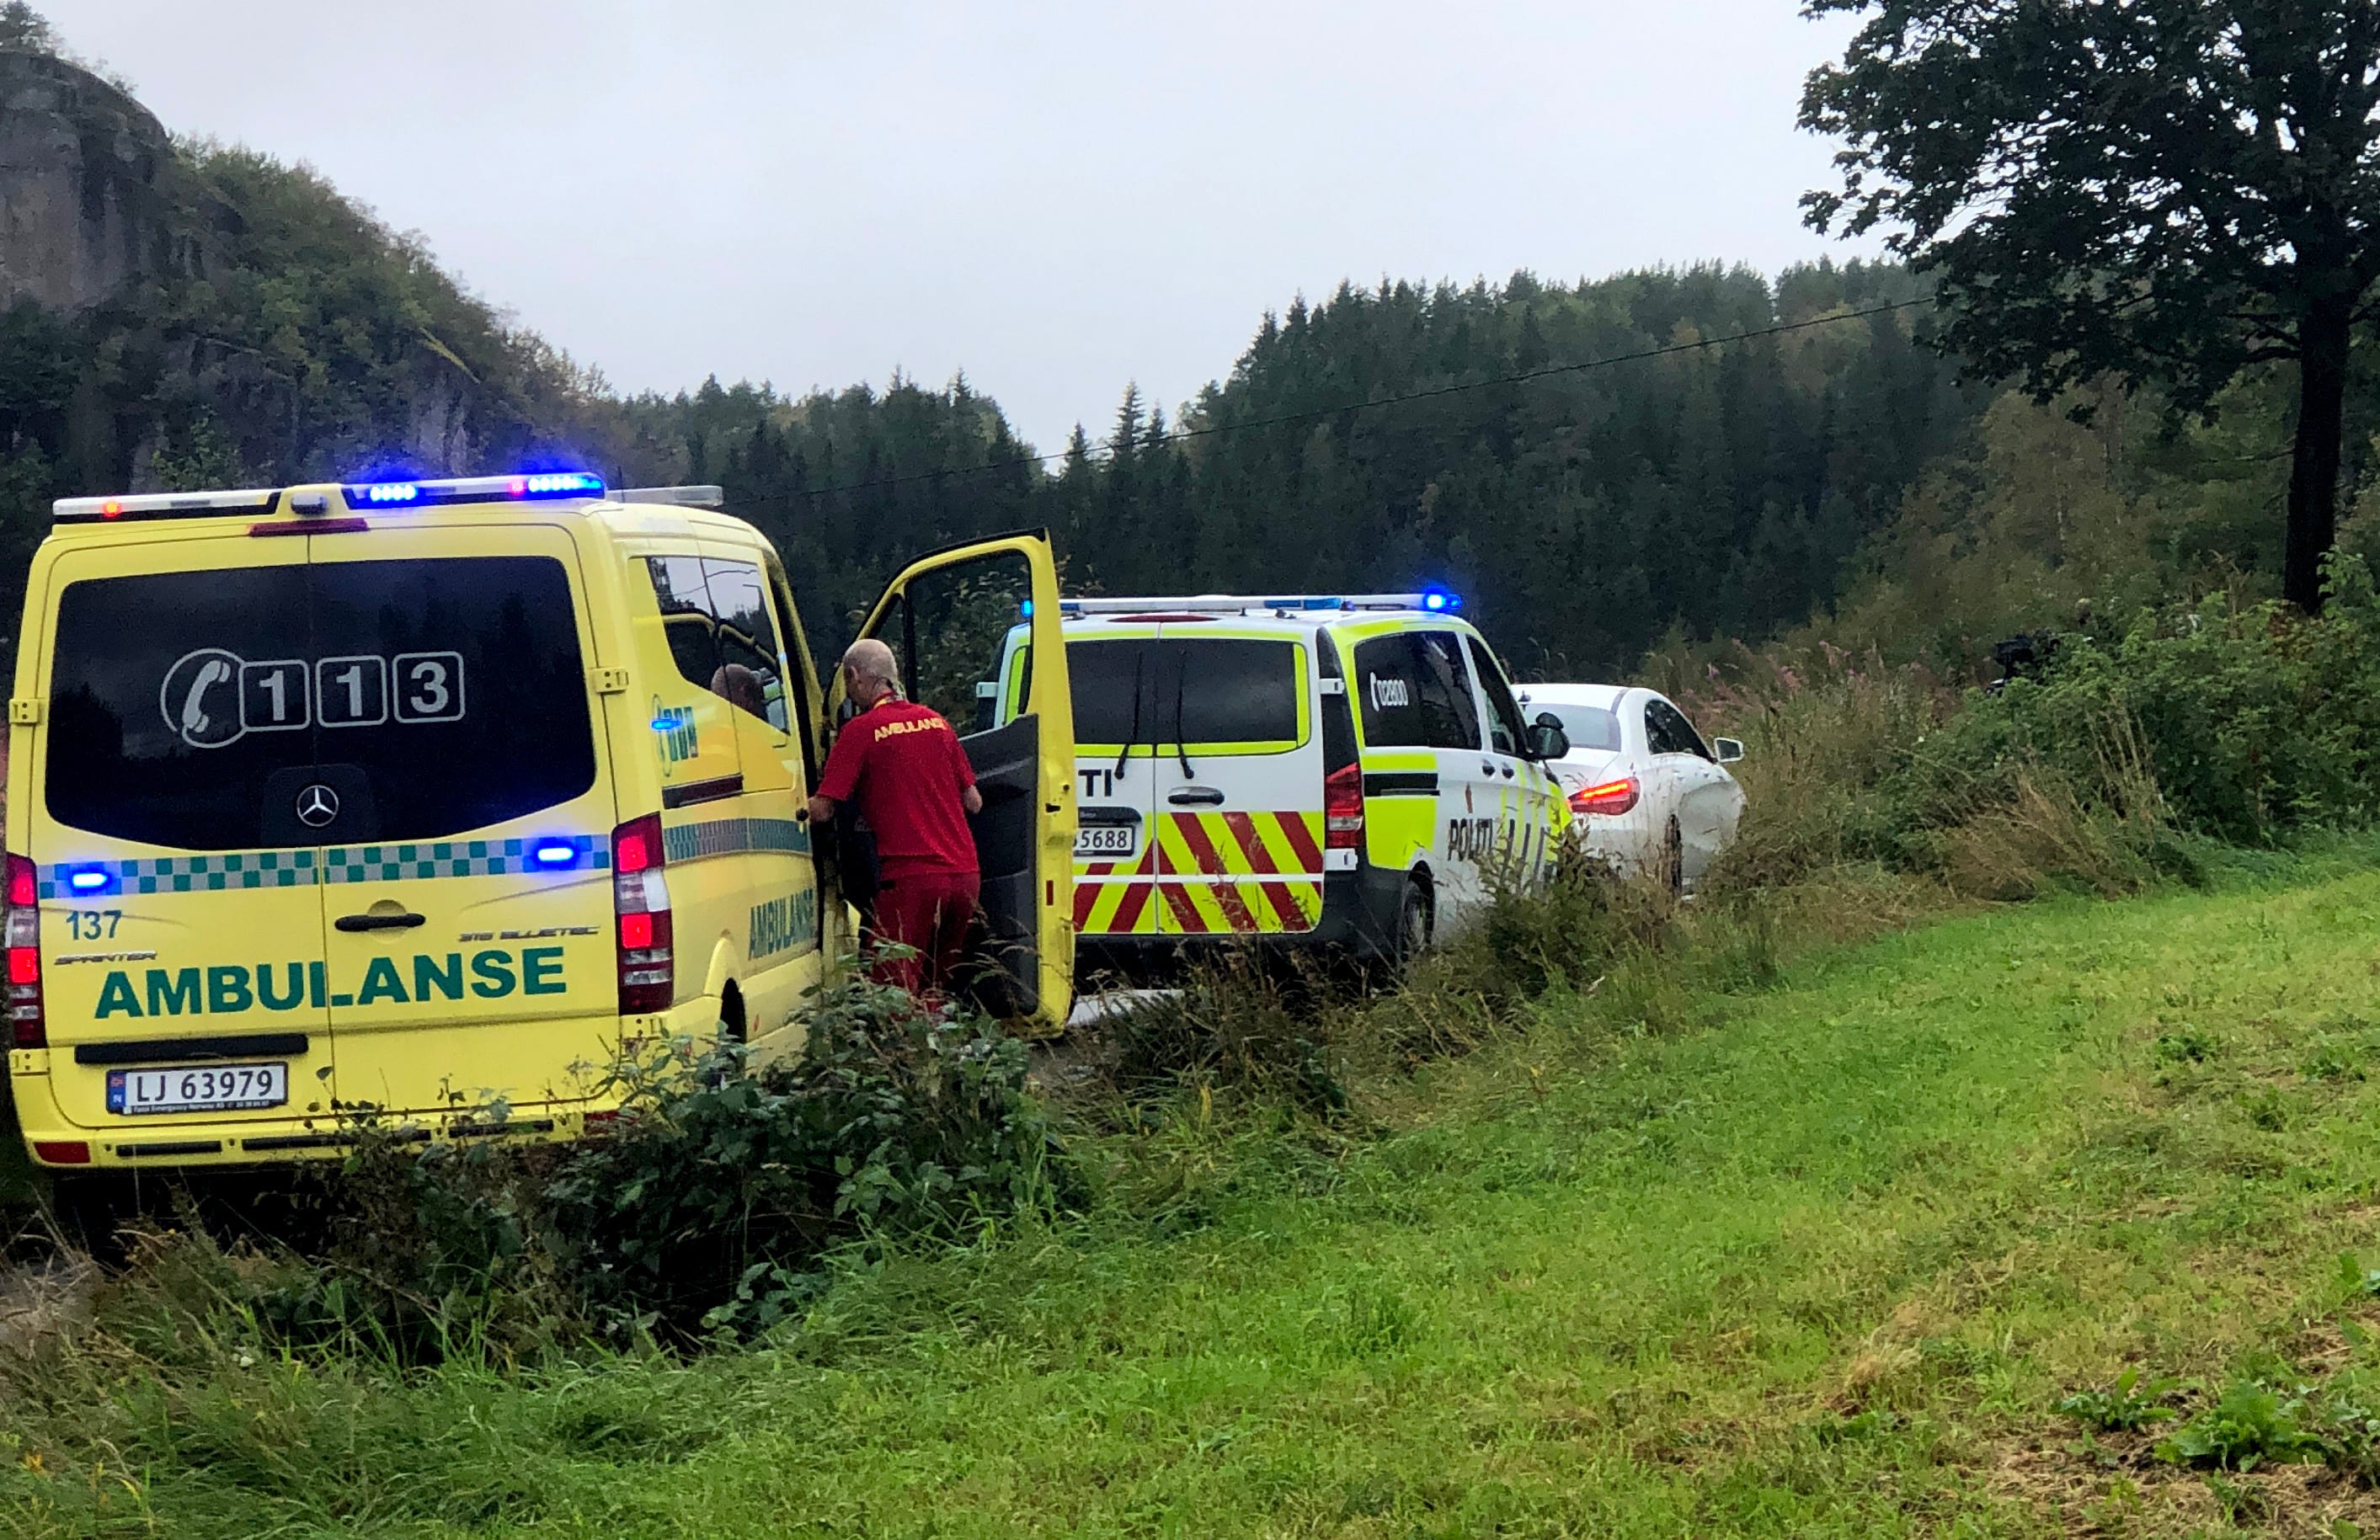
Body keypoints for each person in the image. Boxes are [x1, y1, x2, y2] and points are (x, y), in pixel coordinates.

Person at [806, 638, 984, 1000]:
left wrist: (783, 803)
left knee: (891, 996)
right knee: (933, 993)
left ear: (853, 676)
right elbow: (974, 802)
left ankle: (904, 1040)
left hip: (911, 882)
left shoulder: (860, 731)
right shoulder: (938, 723)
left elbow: (823, 809)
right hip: (966, 879)